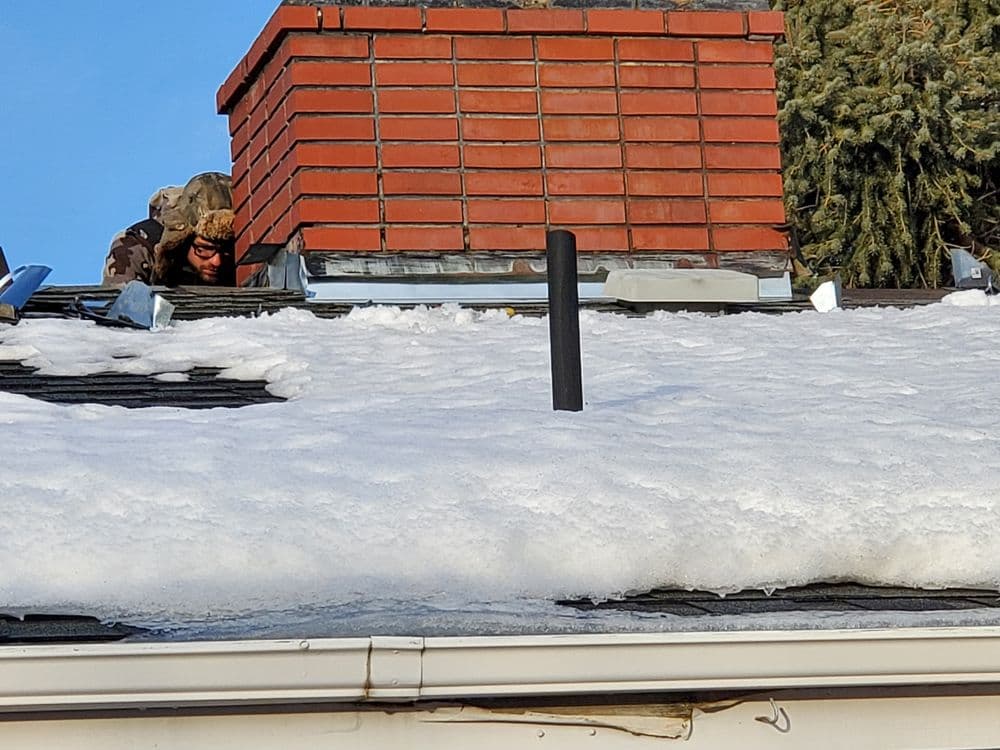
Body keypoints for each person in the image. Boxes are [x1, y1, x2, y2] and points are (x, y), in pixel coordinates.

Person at [101, 172, 236, 287]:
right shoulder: (137, 247)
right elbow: (119, 309)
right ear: (183, 239)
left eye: (227, 251)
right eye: (204, 249)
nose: (216, 262)